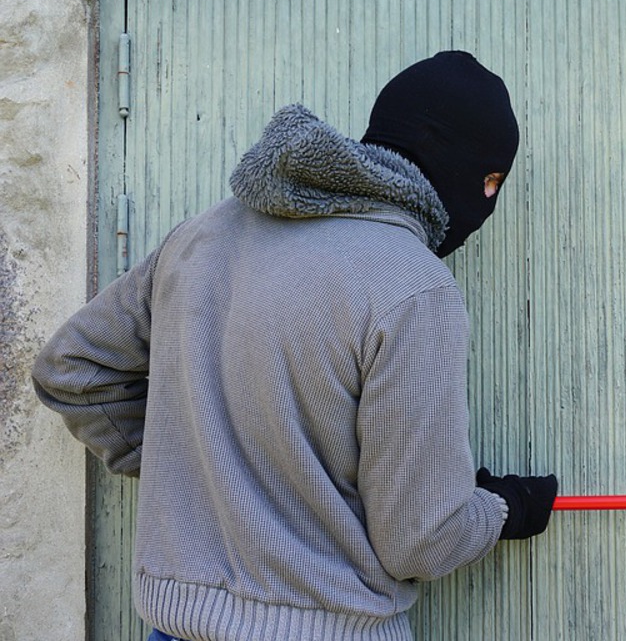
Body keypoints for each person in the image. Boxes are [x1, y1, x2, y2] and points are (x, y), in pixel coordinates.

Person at [32, 50, 557, 641]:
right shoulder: (414, 286)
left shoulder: (202, 237)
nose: (486, 201)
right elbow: (421, 540)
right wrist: (505, 508)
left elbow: (73, 371)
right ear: (449, 158)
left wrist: (202, 466)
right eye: (490, 181)